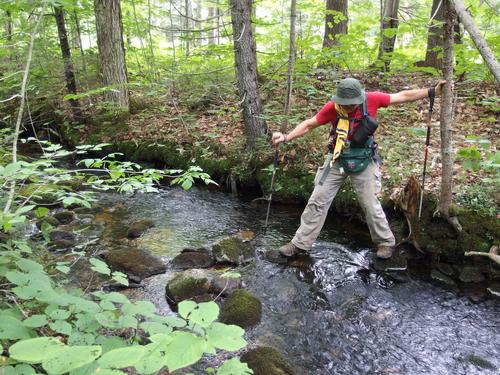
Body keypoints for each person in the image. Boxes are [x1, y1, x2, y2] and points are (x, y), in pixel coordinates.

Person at [272, 77, 445, 259]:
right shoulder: (332, 107)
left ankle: (385, 242)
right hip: (337, 157)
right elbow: (309, 124)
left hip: (365, 158)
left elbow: (402, 96)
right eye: (344, 104)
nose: (347, 107)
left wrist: (432, 91)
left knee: (370, 204)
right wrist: (286, 137)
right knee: (317, 200)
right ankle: (299, 244)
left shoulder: (372, 99)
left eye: (351, 104)